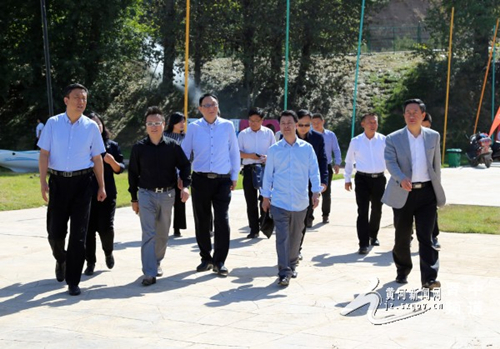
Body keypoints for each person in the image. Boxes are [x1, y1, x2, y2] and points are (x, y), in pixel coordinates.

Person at [37, 83, 106, 296]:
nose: (81, 102)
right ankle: (61, 259)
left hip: (83, 184)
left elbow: (97, 158)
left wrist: (101, 185)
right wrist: (42, 181)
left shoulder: (91, 127)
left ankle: (73, 281)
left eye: (84, 98)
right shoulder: (53, 123)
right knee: (54, 232)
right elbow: (44, 154)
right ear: (66, 100)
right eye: (77, 97)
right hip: (58, 183)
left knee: (79, 235)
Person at [382, 98, 446, 290]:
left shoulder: (433, 136)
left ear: (423, 115)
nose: (411, 115)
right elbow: (391, 163)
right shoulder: (393, 138)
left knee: (426, 237)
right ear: (404, 116)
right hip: (404, 192)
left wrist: (436, 189)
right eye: (408, 112)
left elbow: (436, 166)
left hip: (427, 193)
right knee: (402, 237)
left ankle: (429, 278)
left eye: (415, 112)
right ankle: (402, 270)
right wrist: (401, 178)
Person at [128, 106, 191, 286]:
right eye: (150, 123)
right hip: (145, 194)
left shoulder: (173, 146)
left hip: (167, 195)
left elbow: (185, 166)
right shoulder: (138, 148)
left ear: (164, 124)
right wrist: (134, 199)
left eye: (157, 123)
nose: (154, 126)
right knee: (148, 233)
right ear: (145, 126)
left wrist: (185, 185)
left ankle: (156, 261)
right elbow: (132, 174)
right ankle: (149, 272)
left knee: (162, 234)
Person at [181, 93, 240, 276]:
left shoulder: (227, 126)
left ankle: (220, 261)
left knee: (222, 220)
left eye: (213, 104)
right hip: (200, 180)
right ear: (199, 109)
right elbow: (184, 153)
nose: (210, 108)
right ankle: (205, 258)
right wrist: (181, 176)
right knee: (202, 220)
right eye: (206, 105)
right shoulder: (194, 128)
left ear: (217, 106)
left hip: (223, 180)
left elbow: (234, 152)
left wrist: (234, 175)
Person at [262, 110, 322, 286]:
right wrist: (266, 197)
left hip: (300, 201)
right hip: (279, 201)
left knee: (296, 236)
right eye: (283, 123)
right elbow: (268, 175)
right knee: (282, 236)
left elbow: (314, 171)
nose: (286, 126)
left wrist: (316, 192)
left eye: (289, 122)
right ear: (279, 126)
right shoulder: (274, 150)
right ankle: (284, 271)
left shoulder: (307, 149)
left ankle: (293, 263)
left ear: (296, 125)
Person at [84, 112, 125, 276]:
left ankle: (108, 252)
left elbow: (120, 169)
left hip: (107, 193)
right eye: (92, 123)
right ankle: (90, 263)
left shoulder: (112, 146)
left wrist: (112, 162)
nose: (96, 126)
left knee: (106, 227)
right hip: (86, 193)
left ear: (102, 125)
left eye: (98, 123)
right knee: (88, 230)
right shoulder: (82, 145)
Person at [344, 113, 386, 254]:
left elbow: (390, 160)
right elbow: (349, 161)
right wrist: (347, 179)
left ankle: (373, 235)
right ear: (363, 124)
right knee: (362, 211)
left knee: (377, 209)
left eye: (375, 122)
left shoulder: (383, 140)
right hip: (362, 179)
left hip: (379, 179)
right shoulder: (356, 141)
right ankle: (363, 243)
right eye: (370, 122)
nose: (373, 125)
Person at [238, 107, 276, 238]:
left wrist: (267, 158)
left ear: (262, 120)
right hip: (249, 169)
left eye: (256, 120)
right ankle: (253, 229)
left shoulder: (268, 133)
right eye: (251, 120)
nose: (253, 123)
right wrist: (250, 156)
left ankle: (264, 222)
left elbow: (274, 151)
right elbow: (237, 153)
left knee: (265, 198)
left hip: (265, 169)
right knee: (250, 201)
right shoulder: (243, 134)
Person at [296, 110, 328, 229]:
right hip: (294, 179)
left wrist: (324, 181)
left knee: (309, 206)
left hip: (311, 178)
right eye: (300, 125)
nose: (303, 128)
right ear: (295, 124)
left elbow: (322, 160)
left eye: (307, 125)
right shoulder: (287, 137)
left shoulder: (318, 138)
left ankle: (308, 218)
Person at [311, 112, 342, 224]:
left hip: (326, 166)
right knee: (310, 191)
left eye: (318, 122)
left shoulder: (330, 135)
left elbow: (336, 150)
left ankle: (325, 215)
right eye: (313, 123)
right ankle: (309, 217)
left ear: (323, 122)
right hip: (311, 167)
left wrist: (337, 163)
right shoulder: (309, 135)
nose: (315, 125)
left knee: (326, 192)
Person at [164, 112, 187, 238]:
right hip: (167, 172)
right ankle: (163, 226)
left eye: (184, 121)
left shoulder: (186, 138)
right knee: (165, 201)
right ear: (173, 122)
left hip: (181, 171)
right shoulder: (165, 135)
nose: (183, 124)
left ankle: (177, 228)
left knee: (180, 200)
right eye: (180, 121)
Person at [421, 113, 441, 250]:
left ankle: (433, 236)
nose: (425, 129)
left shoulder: (432, 138)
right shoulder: (404, 139)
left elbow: (436, 163)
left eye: (427, 126)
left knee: (432, 211)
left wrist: (437, 183)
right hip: (410, 183)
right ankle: (408, 237)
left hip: (429, 182)